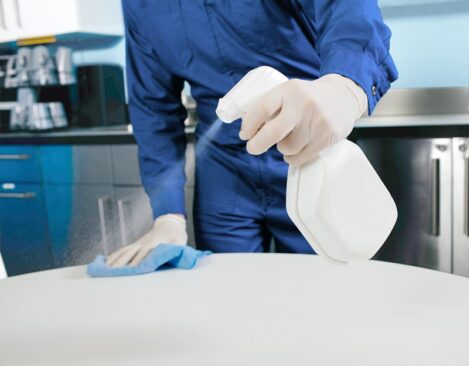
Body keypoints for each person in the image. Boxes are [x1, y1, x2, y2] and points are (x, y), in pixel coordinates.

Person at [108, 0, 398, 266]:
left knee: (325, 284)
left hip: (307, 150)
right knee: (229, 290)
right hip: (223, 171)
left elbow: (345, 8)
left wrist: (344, 86)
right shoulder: (140, 5)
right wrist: (168, 215)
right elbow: (153, 110)